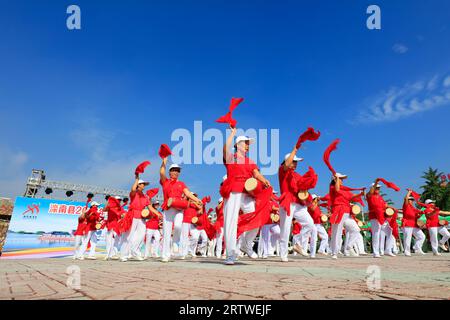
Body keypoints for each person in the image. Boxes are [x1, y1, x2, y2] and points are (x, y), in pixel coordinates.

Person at [222, 127, 271, 265]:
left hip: (247, 193)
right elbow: (225, 149)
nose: (248, 146)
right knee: (230, 223)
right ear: (238, 144)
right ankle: (230, 254)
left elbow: (256, 173)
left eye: (249, 143)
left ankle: (246, 244)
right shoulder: (231, 158)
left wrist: (264, 180)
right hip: (233, 191)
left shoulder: (250, 161)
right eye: (246, 143)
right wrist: (232, 133)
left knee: (256, 216)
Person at [159, 156, 202, 262]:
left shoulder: (181, 183)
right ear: (170, 172)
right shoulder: (165, 182)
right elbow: (161, 173)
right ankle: (166, 255)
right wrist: (163, 163)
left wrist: (197, 200)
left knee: (178, 226)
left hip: (179, 208)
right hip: (168, 207)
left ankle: (175, 241)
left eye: (178, 171)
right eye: (174, 170)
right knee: (167, 231)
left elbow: (187, 193)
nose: (176, 172)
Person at [278, 146, 316, 262]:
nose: (295, 164)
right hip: (287, 202)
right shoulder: (282, 171)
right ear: (287, 161)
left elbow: (302, 188)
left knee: (310, 224)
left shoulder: (297, 175)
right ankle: (283, 254)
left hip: (298, 204)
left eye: (296, 162)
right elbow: (286, 165)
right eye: (294, 161)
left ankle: (297, 243)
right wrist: (295, 149)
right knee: (285, 229)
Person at [329, 173, 364, 260]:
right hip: (338, 211)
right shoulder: (333, 188)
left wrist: (361, 194)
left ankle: (349, 246)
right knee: (337, 232)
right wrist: (336, 179)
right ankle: (334, 252)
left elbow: (352, 196)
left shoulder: (345, 190)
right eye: (340, 179)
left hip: (346, 213)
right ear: (335, 180)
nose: (342, 181)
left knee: (356, 229)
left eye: (341, 179)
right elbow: (337, 190)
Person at [127, 175, 152, 261]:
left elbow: (150, 207)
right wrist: (137, 179)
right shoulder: (134, 194)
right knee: (131, 234)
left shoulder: (145, 196)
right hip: (133, 214)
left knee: (141, 234)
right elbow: (133, 189)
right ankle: (128, 253)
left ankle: (134, 250)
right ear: (138, 184)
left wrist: (157, 214)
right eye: (142, 184)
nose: (144, 185)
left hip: (141, 216)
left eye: (144, 184)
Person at [366, 179, 392, 258]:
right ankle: (376, 252)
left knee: (389, 231)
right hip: (374, 216)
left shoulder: (380, 197)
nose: (378, 189)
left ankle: (387, 250)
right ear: (372, 188)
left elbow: (385, 206)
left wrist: (389, 208)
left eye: (378, 188)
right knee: (376, 234)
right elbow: (370, 192)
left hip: (382, 217)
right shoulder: (369, 195)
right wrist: (376, 183)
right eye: (376, 188)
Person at [402, 190, 426, 256]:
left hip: (414, 224)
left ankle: (417, 248)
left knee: (422, 236)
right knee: (408, 237)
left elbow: (417, 216)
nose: (412, 201)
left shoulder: (413, 208)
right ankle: (407, 251)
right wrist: (409, 192)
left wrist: (421, 214)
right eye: (410, 200)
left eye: (412, 200)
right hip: (407, 224)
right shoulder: (406, 205)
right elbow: (406, 198)